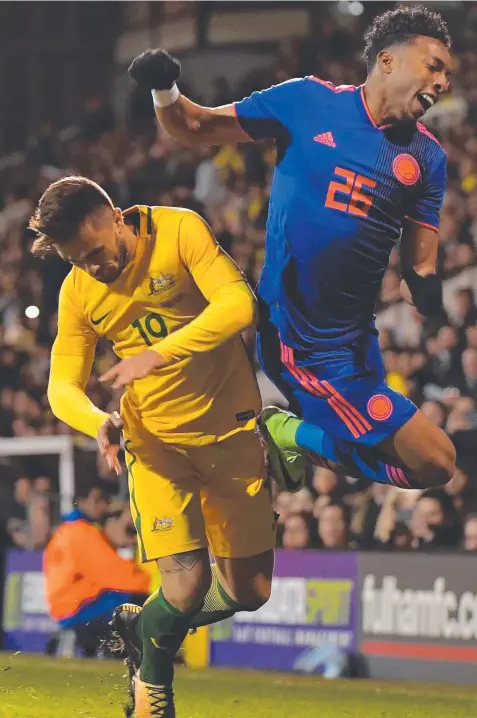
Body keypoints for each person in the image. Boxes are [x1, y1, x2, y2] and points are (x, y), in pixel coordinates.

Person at [128, 5, 456, 498]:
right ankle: (290, 434)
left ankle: (296, 440)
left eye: (448, 72)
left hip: (356, 344)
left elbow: (420, 265)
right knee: (435, 462)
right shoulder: (307, 101)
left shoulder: (427, 158)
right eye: (435, 65)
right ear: (387, 61)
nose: (444, 81)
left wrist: (426, 292)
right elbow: (193, 127)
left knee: (425, 466)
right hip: (300, 341)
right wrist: (164, 89)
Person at [29, 176, 275, 717]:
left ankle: (144, 627)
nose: (92, 267)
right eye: (77, 260)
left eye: (95, 253)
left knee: (252, 592)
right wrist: (96, 420)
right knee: (186, 586)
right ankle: (152, 694)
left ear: (116, 216)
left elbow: (239, 305)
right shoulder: (78, 291)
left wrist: (159, 353)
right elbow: (61, 387)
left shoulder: (178, 229)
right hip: (157, 447)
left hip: (232, 434)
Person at [43, 480, 151, 656]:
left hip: (66, 606)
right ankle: (126, 656)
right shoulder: (83, 533)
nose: (103, 506)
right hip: (79, 608)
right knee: (139, 604)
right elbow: (123, 578)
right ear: (82, 501)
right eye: (98, 500)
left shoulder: (68, 529)